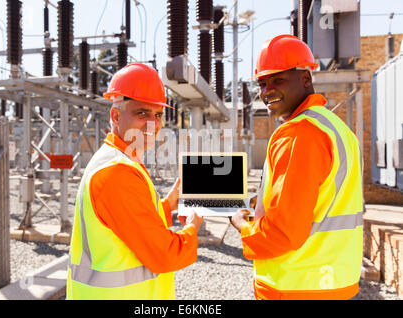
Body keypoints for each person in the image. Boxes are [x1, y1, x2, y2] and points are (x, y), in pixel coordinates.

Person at [231, 34, 364, 300]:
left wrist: (243, 225)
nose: (267, 90)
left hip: (297, 285)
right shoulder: (335, 128)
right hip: (334, 280)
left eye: (278, 79)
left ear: (306, 78)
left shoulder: (298, 134)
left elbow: (283, 233)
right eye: (262, 82)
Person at [66, 63, 204, 300]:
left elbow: (128, 219)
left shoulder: (117, 160)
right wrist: (191, 227)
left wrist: (168, 204)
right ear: (116, 116)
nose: (154, 123)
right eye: (143, 113)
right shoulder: (116, 172)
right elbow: (165, 255)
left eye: (158, 114)